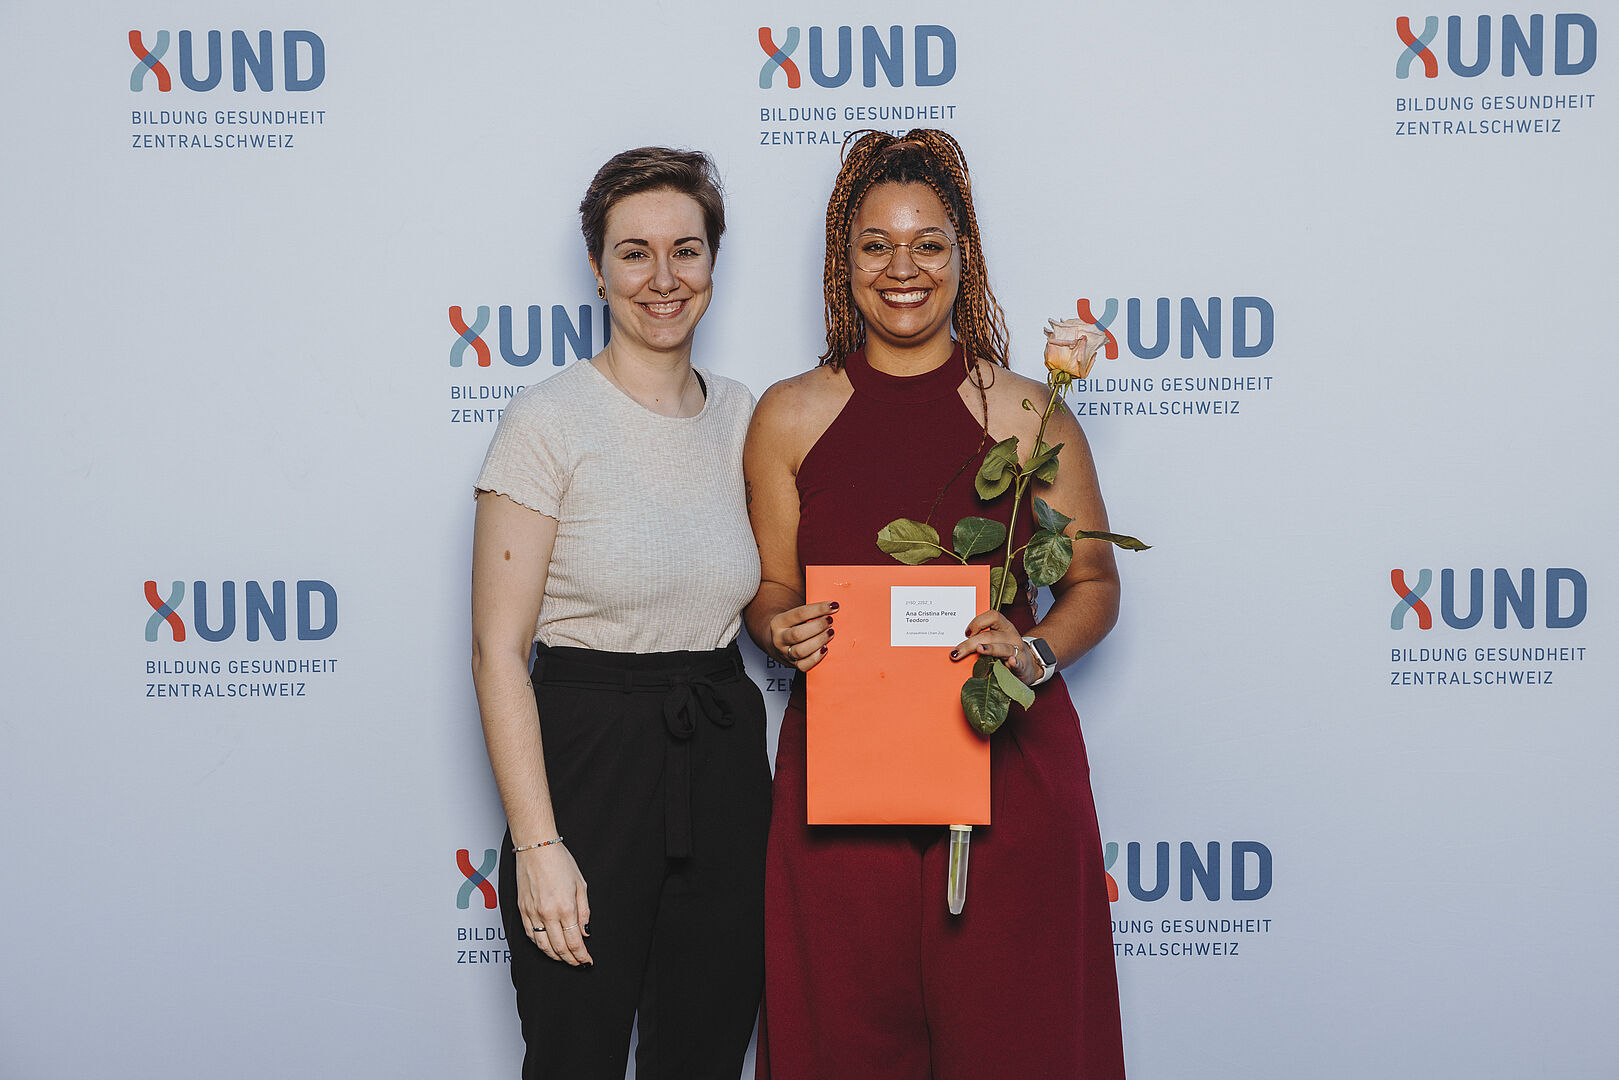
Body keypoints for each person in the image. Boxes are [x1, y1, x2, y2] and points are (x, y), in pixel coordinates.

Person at [743, 129, 1128, 1078]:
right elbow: (773, 585)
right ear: (844, 261)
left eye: (928, 243)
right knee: (842, 1043)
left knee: (1019, 1042)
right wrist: (775, 625)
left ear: (964, 255)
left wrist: (1033, 652)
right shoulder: (789, 414)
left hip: (1008, 772)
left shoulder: (1029, 412)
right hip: (842, 775)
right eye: (875, 245)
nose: (902, 269)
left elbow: (1092, 582)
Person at [471, 146, 770, 1079]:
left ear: (713, 263)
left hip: (722, 763)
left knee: (704, 1056)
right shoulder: (546, 419)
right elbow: (496, 651)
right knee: (574, 1056)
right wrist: (538, 845)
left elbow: (762, 590)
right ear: (597, 270)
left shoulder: (745, 417)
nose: (663, 277)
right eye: (634, 252)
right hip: (587, 765)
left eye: (686, 249)